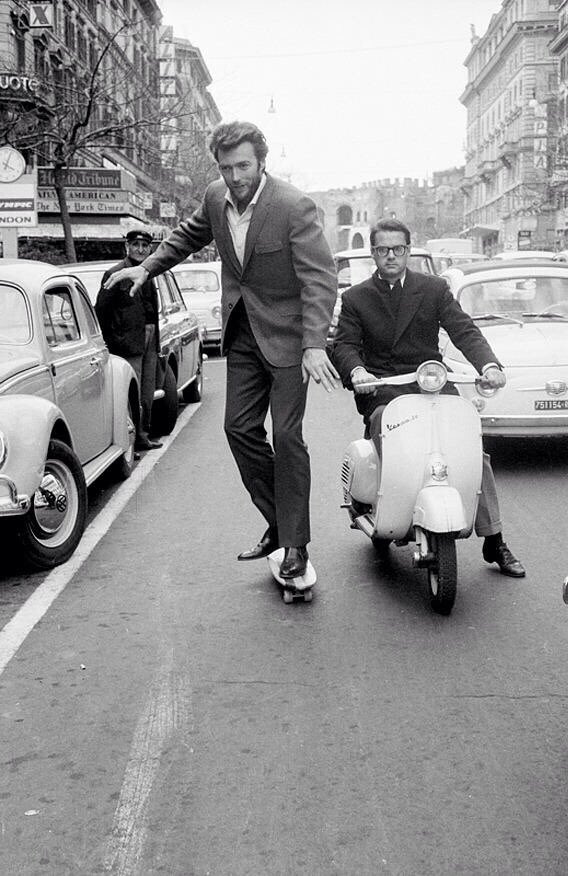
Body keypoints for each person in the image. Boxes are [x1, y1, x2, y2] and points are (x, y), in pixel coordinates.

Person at [104, 121, 339, 578]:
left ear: (261, 161)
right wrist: (147, 269)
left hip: (289, 339)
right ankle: (279, 521)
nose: (236, 177)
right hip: (244, 335)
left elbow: (319, 278)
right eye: (227, 167)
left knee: (288, 439)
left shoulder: (293, 205)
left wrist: (314, 344)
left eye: (244, 166)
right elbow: (190, 235)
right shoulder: (215, 197)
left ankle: (295, 545)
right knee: (238, 429)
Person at [332, 218, 525, 578]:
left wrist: (489, 364)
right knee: (388, 436)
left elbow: (463, 329)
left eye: (399, 249)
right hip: (384, 388)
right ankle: (387, 510)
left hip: (431, 383)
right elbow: (343, 344)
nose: (391, 256)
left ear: (409, 250)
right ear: (373, 253)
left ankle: (494, 539)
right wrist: (358, 372)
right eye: (383, 249)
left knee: (470, 450)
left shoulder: (433, 289)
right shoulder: (356, 297)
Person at [95, 230, 163, 452]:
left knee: (147, 392)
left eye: (145, 245)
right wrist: (111, 341)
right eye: (136, 245)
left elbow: (152, 310)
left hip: (149, 339)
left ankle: (143, 435)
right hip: (127, 342)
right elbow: (102, 310)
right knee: (130, 392)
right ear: (127, 247)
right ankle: (129, 441)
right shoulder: (115, 273)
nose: (140, 249)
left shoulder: (149, 273)